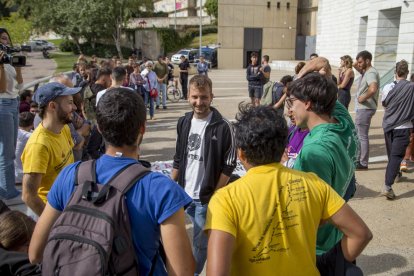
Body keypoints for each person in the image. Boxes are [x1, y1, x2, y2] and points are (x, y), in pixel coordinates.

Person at [28, 88, 195, 275]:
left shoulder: (71, 175)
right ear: (143, 128)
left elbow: (35, 254)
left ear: (99, 127)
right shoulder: (161, 189)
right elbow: (183, 271)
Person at [205, 104, 372, 276]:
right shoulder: (313, 184)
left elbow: (217, 272)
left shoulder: (225, 199)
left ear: (241, 154)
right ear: (284, 148)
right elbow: (360, 234)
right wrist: (327, 264)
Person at [288, 66, 359, 255]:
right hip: (335, 235)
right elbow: (324, 64)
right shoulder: (343, 121)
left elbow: (314, 213)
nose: (290, 110)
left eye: (292, 102)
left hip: (317, 246)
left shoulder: (313, 152)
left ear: (308, 104)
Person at [171, 74, 237, 275]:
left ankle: (193, 273)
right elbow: (178, 158)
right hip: (183, 195)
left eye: (204, 97)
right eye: (195, 97)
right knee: (181, 239)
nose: (199, 102)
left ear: (211, 96)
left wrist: (215, 194)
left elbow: (229, 164)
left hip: (205, 198)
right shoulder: (183, 122)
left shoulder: (224, 126)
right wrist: (170, 184)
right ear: (188, 97)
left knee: (200, 245)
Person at [21, 82, 79, 217]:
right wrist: (52, 222)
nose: (74, 107)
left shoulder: (63, 128)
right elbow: (29, 196)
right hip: (47, 212)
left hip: (65, 205)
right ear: (52, 106)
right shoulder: (39, 146)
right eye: (69, 103)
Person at [381, 60, 414, 200]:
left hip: (388, 125)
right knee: (396, 156)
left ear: (395, 73)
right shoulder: (411, 87)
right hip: (403, 126)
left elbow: (385, 103)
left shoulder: (388, 87)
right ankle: (387, 186)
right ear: (407, 73)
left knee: (391, 154)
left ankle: (396, 174)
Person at [0, 28, 24, 204]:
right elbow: (1, 89)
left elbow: (20, 82)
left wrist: (17, 64)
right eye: (2, 38)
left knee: (11, 149)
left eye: (7, 38)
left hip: (14, 102)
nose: (5, 41)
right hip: (2, 104)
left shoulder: (8, 59)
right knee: (6, 152)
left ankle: (7, 186)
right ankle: (8, 192)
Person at [353, 50, 380, 170]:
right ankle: (360, 160)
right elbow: (355, 65)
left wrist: (362, 97)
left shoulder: (370, 73)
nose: (358, 64)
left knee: (362, 136)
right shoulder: (367, 71)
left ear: (368, 61)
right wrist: (358, 62)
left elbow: (373, 88)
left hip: (365, 108)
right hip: (365, 108)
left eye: (360, 62)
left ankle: (363, 162)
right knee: (359, 135)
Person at [15, 112, 34, 186]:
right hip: (22, 177)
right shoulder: (30, 136)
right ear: (32, 124)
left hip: (11, 177)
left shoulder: (14, 132)